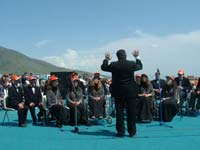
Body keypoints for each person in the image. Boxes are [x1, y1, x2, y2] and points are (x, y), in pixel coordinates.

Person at [101, 49, 143, 137]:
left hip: (118, 92)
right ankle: (132, 132)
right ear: (125, 55)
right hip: (130, 92)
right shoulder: (131, 64)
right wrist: (136, 57)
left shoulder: (114, 65)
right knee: (131, 112)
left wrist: (107, 59)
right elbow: (140, 66)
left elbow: (103, 67)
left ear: (117, 56)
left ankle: (121, 131)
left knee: (119, 113)